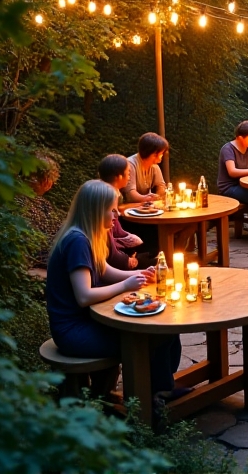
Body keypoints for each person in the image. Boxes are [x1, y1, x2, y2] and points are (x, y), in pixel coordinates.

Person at [45, 180, 182, 398]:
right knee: (154, 336)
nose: (117, 215)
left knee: (166, 329)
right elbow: (84, 296)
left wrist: (141, 274)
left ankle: (162, 388)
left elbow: (105, 270)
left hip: (90, 321)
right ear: (96, 210)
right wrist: (126, 285)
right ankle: (153, 399)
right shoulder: (77, 242)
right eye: (112, 210)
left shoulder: (88, 234)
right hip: (74, 331)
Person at [98, 154, 149, 270]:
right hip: (112, 255)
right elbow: (109, 242)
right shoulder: (106, 196)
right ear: (119, 176)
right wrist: (129, 260)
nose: (129, 176)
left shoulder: (112, 193)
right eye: (128, 173)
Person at [123, 132, 168, 203]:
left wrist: (158, 195)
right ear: (149, 153)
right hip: (129, 207)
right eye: (160, 153)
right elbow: (130, 194)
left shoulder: (154, 166)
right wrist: (147, 198)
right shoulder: (130, 164)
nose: (161, 157)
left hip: (143, 206)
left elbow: (161, 185)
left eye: (162, 153)